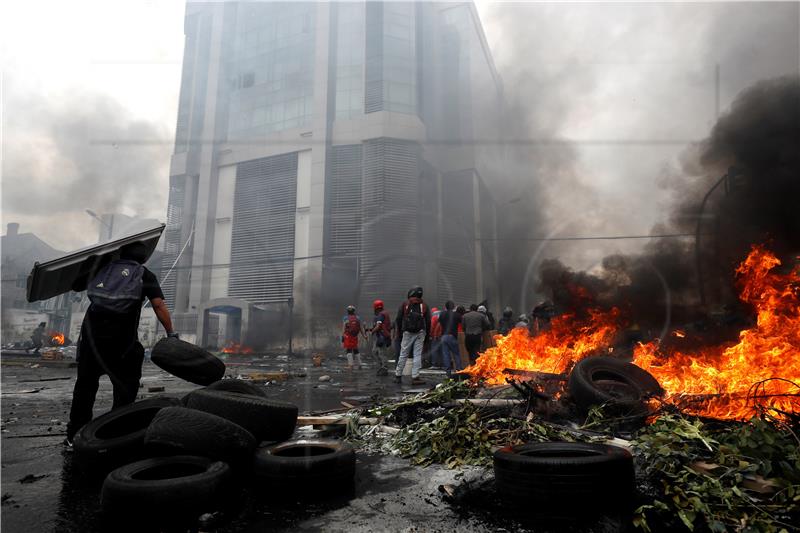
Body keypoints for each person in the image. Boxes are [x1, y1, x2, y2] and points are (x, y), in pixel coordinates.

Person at [65, 242, 176, 447]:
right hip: (123, 345)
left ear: (120, 253)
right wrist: (171, 333)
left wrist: (94, 260)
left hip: (92, 345)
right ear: (143, 258)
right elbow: (158, 305)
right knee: (125, 389)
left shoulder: (101, 268)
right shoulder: (144, 274)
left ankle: (74, 435)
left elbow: (76, 285)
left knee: (85, 388)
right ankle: (116, 434)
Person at [394, 286, 431, 385]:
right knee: (417, 355)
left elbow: (398, 318)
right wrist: (427, 336)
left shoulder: (405, 304)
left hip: (407, 332)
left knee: (403, 354)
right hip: (420, 333)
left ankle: (398, 376)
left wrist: (400, 332)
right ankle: (415, 377)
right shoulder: (424, 305)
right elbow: (428, 321)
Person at [367, 300, 391, 376]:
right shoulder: (384, 314)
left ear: (375, 308)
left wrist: (372, 332)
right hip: (382, 336)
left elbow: (378, 327)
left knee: (382, 353)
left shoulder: (381, 315)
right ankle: (382, 366)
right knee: (375, 352)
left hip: (382, 337)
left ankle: (384, 368)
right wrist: (371, 329)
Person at [438, 300, 462, 378]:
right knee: (456, 354)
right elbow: (462, 322)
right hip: (452, 336)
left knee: (446, 354)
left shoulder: (442, 314)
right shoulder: (456, 315)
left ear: (446, 307)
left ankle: (448, 372)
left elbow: (440, 324)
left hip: (444, 336)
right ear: (453, 307)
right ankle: (458, 370)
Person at [341, 305, 365, 370]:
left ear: (347, 311)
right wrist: (364, 335)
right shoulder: (358, 318)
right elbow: (361, 328)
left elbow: (344, 327)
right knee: (355, 349)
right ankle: (360, 364)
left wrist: (342, 335)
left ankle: (350, 365)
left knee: (349, 350)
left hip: (348, 336)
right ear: (354, 311)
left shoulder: (345, 318)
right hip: (355, 336)